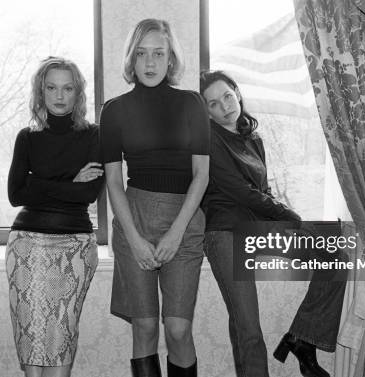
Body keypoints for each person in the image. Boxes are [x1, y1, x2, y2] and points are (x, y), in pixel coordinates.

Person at [199, 70, 347, 377]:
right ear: (208, 113)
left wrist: (288, 220)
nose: (224, 105)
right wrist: (291, 217)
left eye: (227, 96)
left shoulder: (253, 140)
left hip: (257, 230)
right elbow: (242, 192)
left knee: (335, 257)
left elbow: (262, 193)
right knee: (248, 328)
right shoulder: (210, 141)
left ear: (237, 93)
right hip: (225, 235)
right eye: (213, 104)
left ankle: (303, 338)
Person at [100, 19, 210, 377]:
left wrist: (177, 233)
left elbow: (201, 175)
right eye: (142, 53)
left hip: (185, 221)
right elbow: (114, 181)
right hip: (135, 220)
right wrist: (133, 238)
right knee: (144, 328)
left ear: (170, 58)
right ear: (132, 59)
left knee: (177, 330)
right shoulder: (113, 110)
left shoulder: (192, 103)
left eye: (158, 53)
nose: (150, 63)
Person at [5, 57, 104, 377]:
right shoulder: (27, 137)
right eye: (51, 87)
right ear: (40, 91)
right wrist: (70, 182)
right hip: (27, 246)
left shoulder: (94, 136)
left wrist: (39, 183)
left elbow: (88, 195)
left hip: (75, 245)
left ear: (78, 93)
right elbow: (15, 195)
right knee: (31, 335)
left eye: (67, 88)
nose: (59, 95)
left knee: (60, 335)